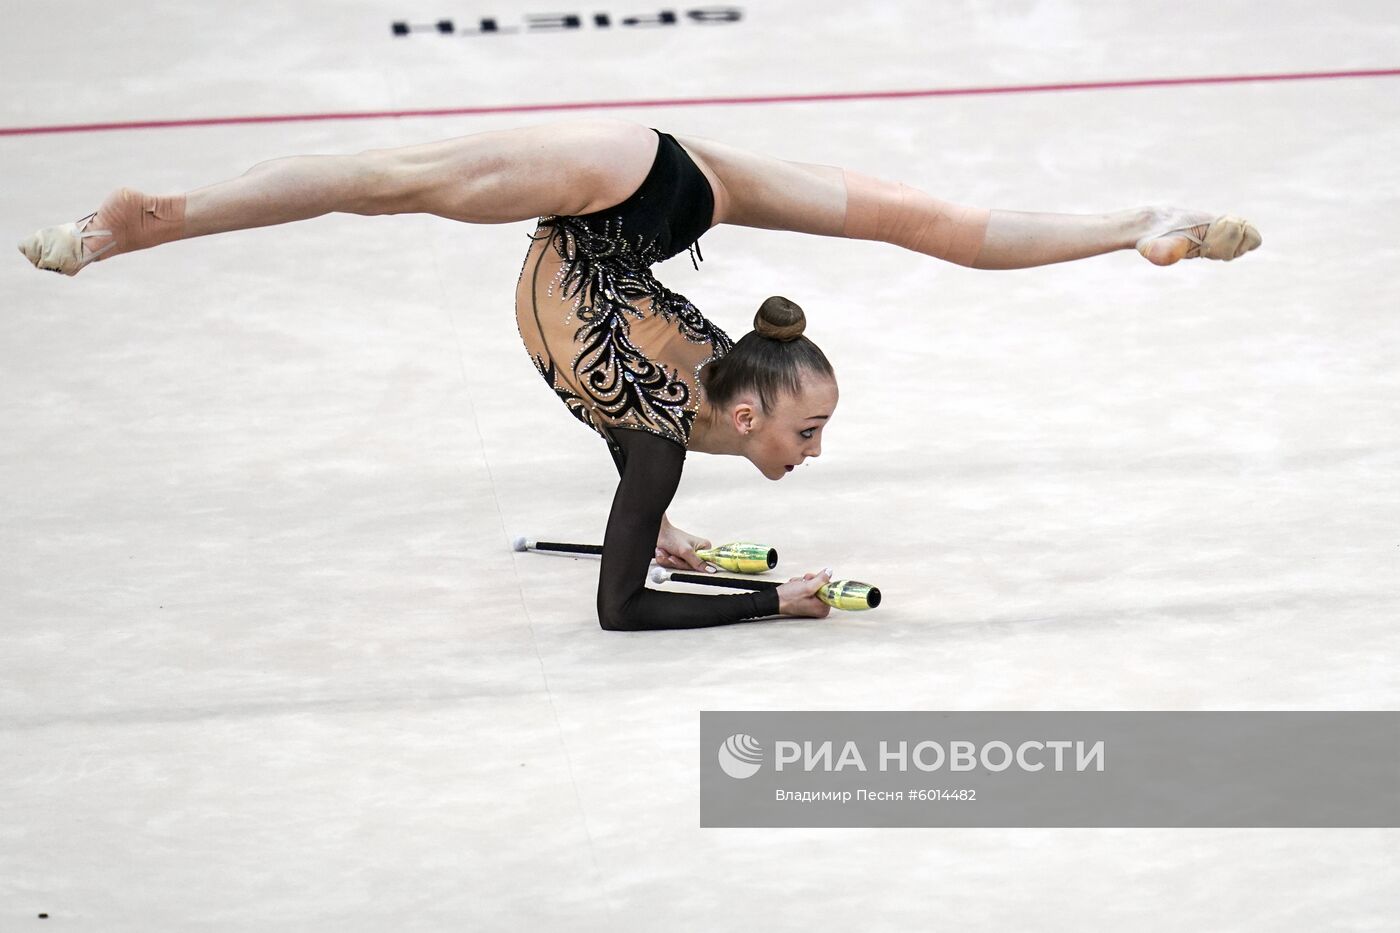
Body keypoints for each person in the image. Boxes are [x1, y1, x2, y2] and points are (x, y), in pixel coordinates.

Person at [16, 119, 1261, 630]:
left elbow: (628, 400)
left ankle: (1135, 222)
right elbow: (618, 615)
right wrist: (774, 605)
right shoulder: (669, 428)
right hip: (620, 190)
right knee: (391, 186)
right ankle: (156, 217)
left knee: (930, 227)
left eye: (814, 436)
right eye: (806, 430)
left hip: (659, 193)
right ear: (746, 404)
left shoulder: (688, 406)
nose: (811, 453)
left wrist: (662, 528)